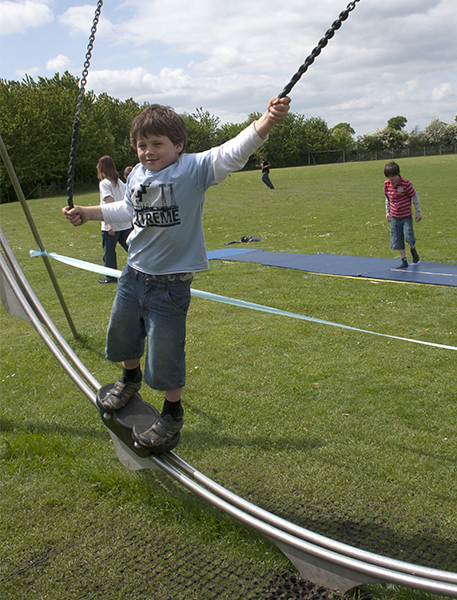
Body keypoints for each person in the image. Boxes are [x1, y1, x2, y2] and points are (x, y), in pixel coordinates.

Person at [62, 96, 291, 449]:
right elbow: (128, 210)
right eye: (142, 145)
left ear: (178, 145)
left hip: (171, 286)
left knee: (166, 353)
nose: (148, 152)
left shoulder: (193, 169)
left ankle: (171, 414)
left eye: (157, 144)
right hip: (133, 275)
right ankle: (129, 379)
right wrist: (89, 213)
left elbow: (234, 150)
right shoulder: (137, 174)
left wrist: (267, 121)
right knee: (123, 334)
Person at [96, 156, 133, 284]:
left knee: (109, 253)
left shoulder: (104, 183)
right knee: (134, 249)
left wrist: (110, 225)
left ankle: (110, 277)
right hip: (125, 224)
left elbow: (109, 203)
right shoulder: (120, 182)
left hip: (112, 225)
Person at [384, 161, 422, 269]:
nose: (391, 178)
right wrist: (388, 212)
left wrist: (418, 212)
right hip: (395, 216)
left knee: (409, 235)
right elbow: (388, 199)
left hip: (406, 216)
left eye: (393, 176)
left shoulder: (406, 184)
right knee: (397, 238)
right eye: (389, 176)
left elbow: (414, 197)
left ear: (398, 173)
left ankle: (412, 249)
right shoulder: (387, 184)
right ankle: (404, 260)